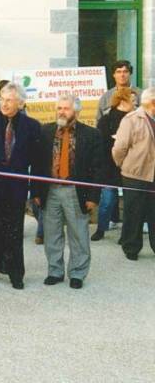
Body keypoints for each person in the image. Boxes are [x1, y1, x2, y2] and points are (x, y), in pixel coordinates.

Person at [33, 94, 102, 289]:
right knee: (52, 233)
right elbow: (37, 164)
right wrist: (36, 192)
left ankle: (77, 273)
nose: (62, 112)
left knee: (78, 234)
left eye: (66, 108)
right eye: (59, 108)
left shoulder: (91, 134)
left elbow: (98, 168)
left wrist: (93, 197)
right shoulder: (45, 132)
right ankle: (54, 271)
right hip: (50, 190)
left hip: (75, 191)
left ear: (77, 112)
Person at [0, 83, 40, 289]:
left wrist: (35, 190)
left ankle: (15, 273)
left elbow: (35, 160)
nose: (4, 104)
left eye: (10, 100)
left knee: (14, 229)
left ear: (21, 103)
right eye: (2, 100)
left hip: (16, 187)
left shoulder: (32, 126)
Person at [112, 87, 155, 261]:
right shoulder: (131, 120)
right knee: (133, 212)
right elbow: (119, 148)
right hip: (135, 175)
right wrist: (126, 166)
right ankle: (131, 248)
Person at [93, 86, 135, 241]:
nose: (135, 104)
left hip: (128, 165)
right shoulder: (107, 119)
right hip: (110, 165)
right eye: (133, 100)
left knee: (127, 202)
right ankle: (102, 229)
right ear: (124, 100)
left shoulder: (136, 118)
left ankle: (124, 234)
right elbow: (101, 142)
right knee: (108, 200)